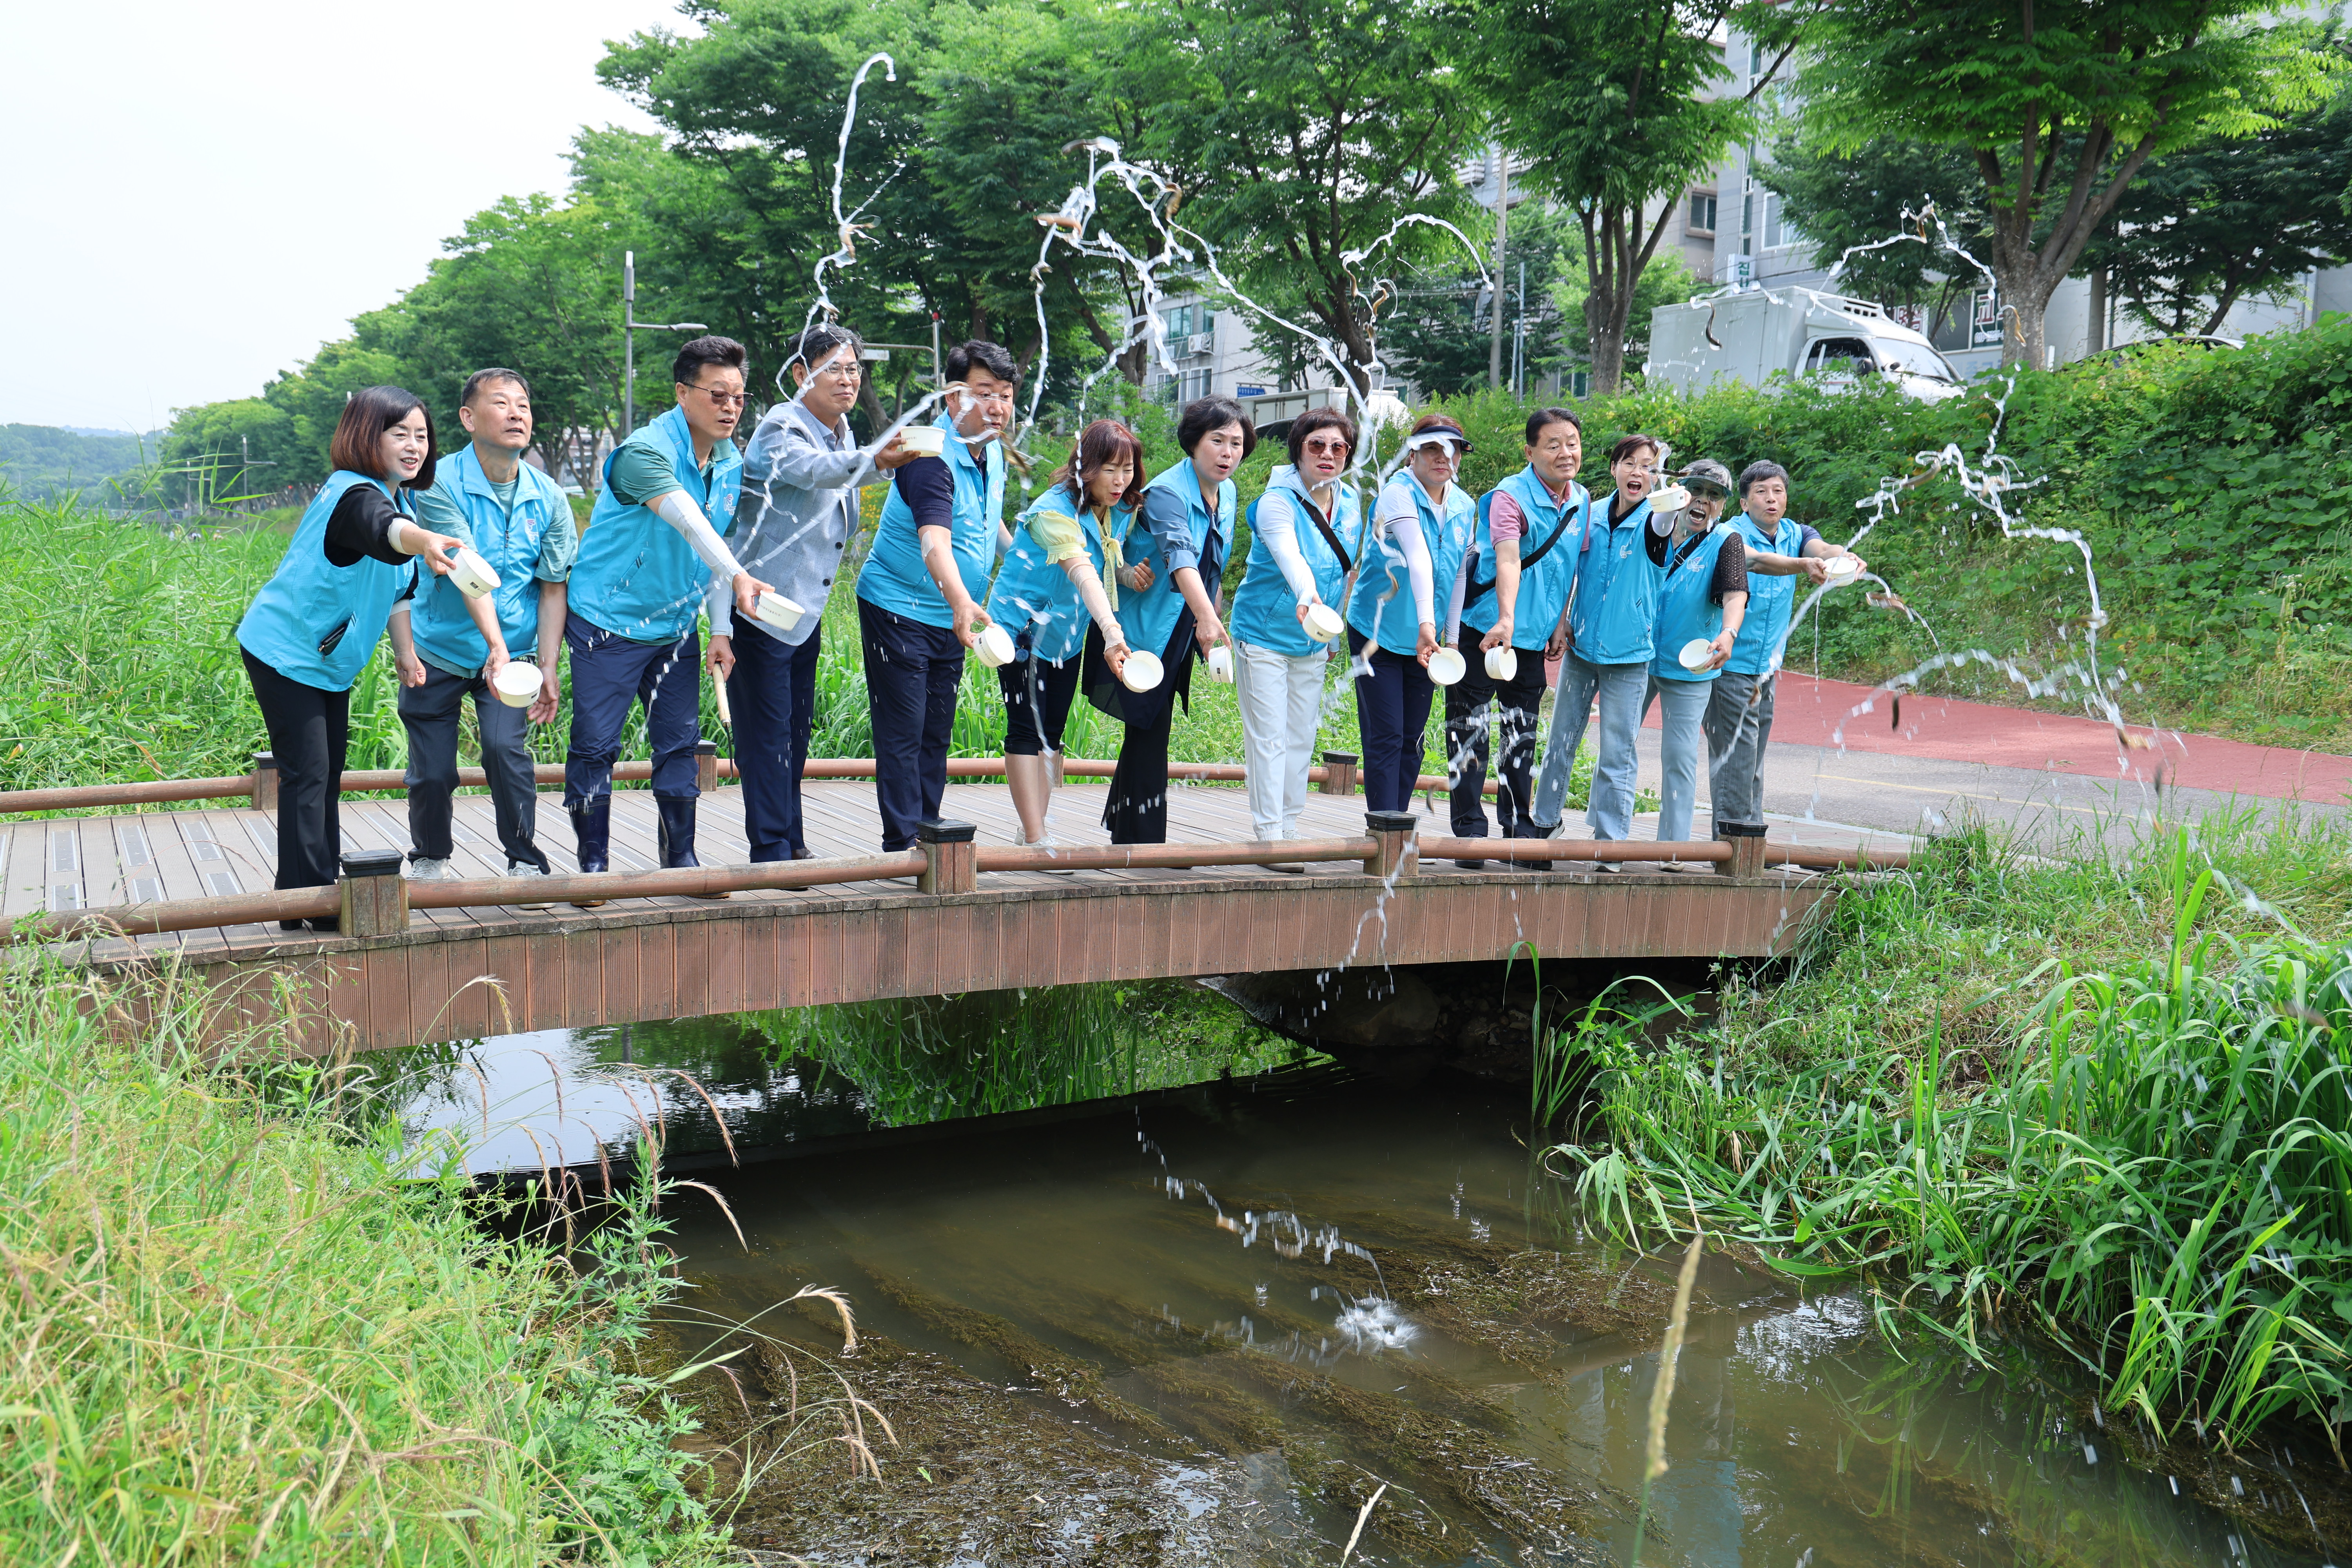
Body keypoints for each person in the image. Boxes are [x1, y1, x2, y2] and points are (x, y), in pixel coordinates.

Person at [234, 386, 463, 925]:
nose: (415, 447)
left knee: (325, 773)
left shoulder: (396, 496)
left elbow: (399, 589)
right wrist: (424, 540)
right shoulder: (353, 495)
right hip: (285, 651)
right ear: (366, 436)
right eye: (400, 434)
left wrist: (406, 653)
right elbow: (385, 532)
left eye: (422, 436)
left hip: (325, 660)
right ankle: (310, 902)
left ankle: (305, 894)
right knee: (309, 774)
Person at [564, 336, 773, 890]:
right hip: (608, 623)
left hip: (676, 628)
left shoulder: (729, 461)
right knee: (595, 745)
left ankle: (680, 859)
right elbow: (688, 520)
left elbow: (715, 546)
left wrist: (721, 629)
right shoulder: (643, 453)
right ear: (683, 393)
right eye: (718, 395)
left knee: (680, 743)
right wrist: (740, 574)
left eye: (739, 398)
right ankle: (592, 866)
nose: (730, 408)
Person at [715, 325, 915, 863]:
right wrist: (880, 459)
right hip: (759, 609)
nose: (848, 380)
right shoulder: (780, 427)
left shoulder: (841, 429)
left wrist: (877, 459)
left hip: (803, 609)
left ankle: (790, 838)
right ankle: (771, 849)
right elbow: (813, 472)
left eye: (854, 369)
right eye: (834, 370)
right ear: (801, 375)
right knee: (767, 734)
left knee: (795, 731)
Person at [385, 368, 575, 904]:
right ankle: (430, 856)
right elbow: (465, 567)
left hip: (514, 650)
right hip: (440, 646)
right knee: (432, 769)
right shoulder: (436, 482)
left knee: (503, 750)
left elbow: (553, 588)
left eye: (524, 405)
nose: (517, 414)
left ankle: (525, 859)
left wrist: (547, 666)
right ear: (468, 418)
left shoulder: (549, 496)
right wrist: (493, 645)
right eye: (501, 403)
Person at [856, 339, 1016, 851]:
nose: (997, 407)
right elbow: (934, 540)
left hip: (951, 612)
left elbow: (989, 520)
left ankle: (928, 834)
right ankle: (903, 845)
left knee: (936, 729)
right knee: (905, 729)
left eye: (1006, 395)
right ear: (953, 398)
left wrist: (1026, 562)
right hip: (899, 607)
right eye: (984, 393)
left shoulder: (990, 450)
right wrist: (963, 601)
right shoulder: (928, 456)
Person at [1086, 396, 1248, 845]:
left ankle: (1128, 827)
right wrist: (1208, 619)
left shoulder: (1227, 492)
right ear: (1194, 443)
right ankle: (1142, 839)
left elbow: (1213, 561)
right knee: (1147, 724)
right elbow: (1181, 559)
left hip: (1182, 622)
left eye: (1236, 443)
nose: (1227, 453)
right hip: (1142, 627)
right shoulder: (1166, 494)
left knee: (1151, 725)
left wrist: (1212, 613)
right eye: (1217, 441)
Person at [984, 419, 1140, 850]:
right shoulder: (1052, 512)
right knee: (1025, 729)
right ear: (1085, 467)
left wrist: (1128, 575)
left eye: (1127, 470)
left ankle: (1033, 828)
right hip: (1021, 631)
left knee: (1052, 731)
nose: (1120, 481)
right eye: (1110, 469)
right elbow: (1083, 572)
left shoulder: (1117, 508)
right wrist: (1112, 633)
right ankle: (1036, 835)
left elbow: (1104, 563)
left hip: (1066, 636)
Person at [1445, 407, 1587, 869]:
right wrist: (1506, 618)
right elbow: (1508, 559)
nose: (1565, 453)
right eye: (1553, 445)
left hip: (1531, 639)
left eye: (1572, 443)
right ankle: (1469, 830)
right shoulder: (1509, 497)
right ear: (1530, 452)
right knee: (1470, 728)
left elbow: (1570, 565)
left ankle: (1517, 829)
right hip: (1486, 630)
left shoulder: (1581, 499)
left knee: (1520, 732)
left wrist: (1561, 621)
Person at [1528, 432, 1678, 857]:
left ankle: (1610, 845)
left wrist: (1668, 492)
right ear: (1614, 468)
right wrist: (1561, 622)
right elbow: (1567, 571)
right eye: (1630, 463)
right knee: (1560, 742)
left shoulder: (1656, 519)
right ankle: (1544, 823)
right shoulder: (1588, 514)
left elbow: (1665, 520)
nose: (1638, 472)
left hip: (1629, 657)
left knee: (1617, 753)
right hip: (1580, 650)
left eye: (1648, 466)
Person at [1704, 460, 1866, 842]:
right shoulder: (1729, 535)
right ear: (1744, 502)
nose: (1771, 499)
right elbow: (1760, 561)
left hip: (1766, 669)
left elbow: (1822, 547)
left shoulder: (1796, 533)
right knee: (1738, 758)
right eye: (1761, 492)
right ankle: (1733, 847)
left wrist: (1843, 557)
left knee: (1752, 759)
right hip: (1729, 665)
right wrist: (1803, 565)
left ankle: (1749, 845)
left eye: (1778, 491)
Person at [1228, 407, 1364, 857]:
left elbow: (1343, 572)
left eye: (1338, 447)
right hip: (1263, 634)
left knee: (1302, 735)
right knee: (1269, 736)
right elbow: (1292, 557)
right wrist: (1307, 594)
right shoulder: (1277, 502)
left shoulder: (1350, 502)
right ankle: (1269, 833)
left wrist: (1331, 632)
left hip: (1313, 637)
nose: (1328, 454)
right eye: (1317, 445)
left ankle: (1289, 824)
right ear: (1298, 450)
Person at [1350, 412, 1475, 816]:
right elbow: (1418, 558)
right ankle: (1383, 828)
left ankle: (1396, 823)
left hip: (1427, 641)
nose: (1443, 457)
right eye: (1432, 449)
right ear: (1412, 454)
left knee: (1412, 738)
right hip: (1378, 631)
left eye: (1452, 450)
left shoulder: (1464, 505)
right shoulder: (1397, 494)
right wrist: (1427, 626)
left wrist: (1451, 639)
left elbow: (1459, 573)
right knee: (1386, 734)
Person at [1641, 458, 1748, 857]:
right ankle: (1607, 838)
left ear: (1723, 505)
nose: (1703, 500)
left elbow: (1736, 594)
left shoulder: (1727, 541)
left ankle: (1674, 849)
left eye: (1714, 495)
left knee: (1680, 756)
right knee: (1618, 745)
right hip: (1635, 655)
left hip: (1691, 663)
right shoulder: (1654, 524)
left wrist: (1729, 632)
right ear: (1679, 492)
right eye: (1696, 490)